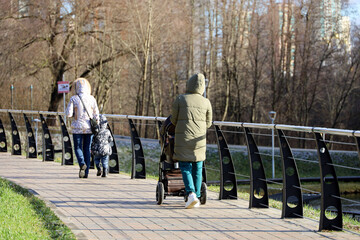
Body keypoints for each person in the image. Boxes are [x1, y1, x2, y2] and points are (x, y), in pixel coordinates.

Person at [170, 73, 213, 209]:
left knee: (185, 166)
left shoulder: (181, 99)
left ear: (189, 84)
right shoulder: (206, 102)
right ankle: (197, 195)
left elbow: (173, 120)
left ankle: (191, 193)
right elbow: (209, 123)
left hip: (184, 139)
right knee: (198, 167)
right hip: (199, 141)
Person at [66, 78, 99, 178]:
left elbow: (68, 114)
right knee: (87, 149)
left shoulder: (74, 99)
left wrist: (74, 113)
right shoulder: (92, 99)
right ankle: (86, 173)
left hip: (77, 128)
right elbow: (96, 114)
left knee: (77, 147)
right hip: (89, 128)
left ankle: (81, 163)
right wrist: (96, 124)